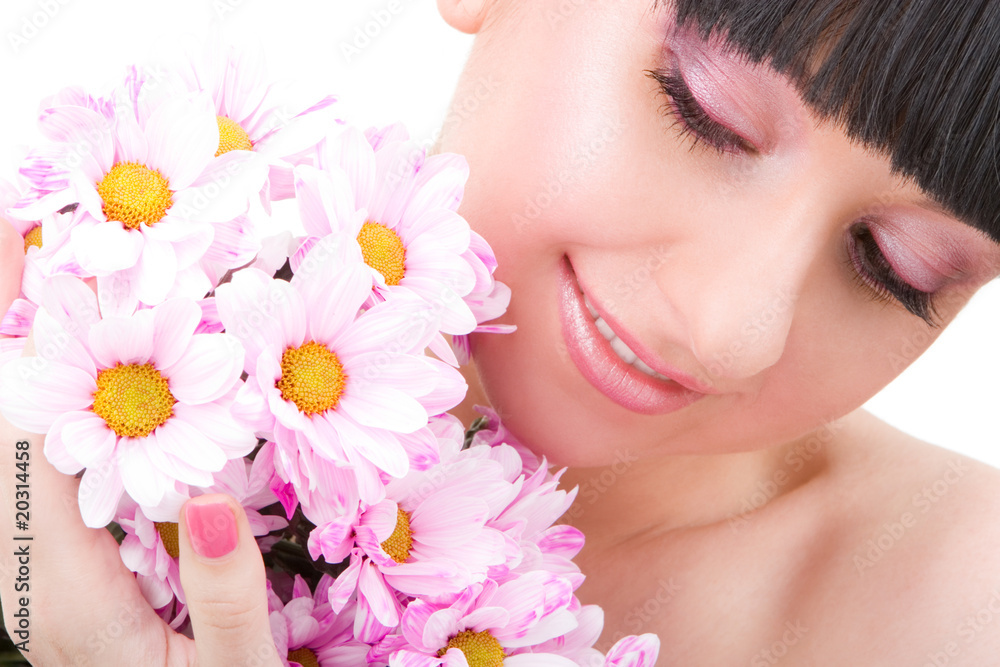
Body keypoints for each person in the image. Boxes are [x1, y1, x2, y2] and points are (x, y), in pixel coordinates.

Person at [3, 0, 1000, 664]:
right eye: (705, 113)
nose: (730, 328)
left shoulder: (956, 606)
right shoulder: (57, 308)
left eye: (897, 266)